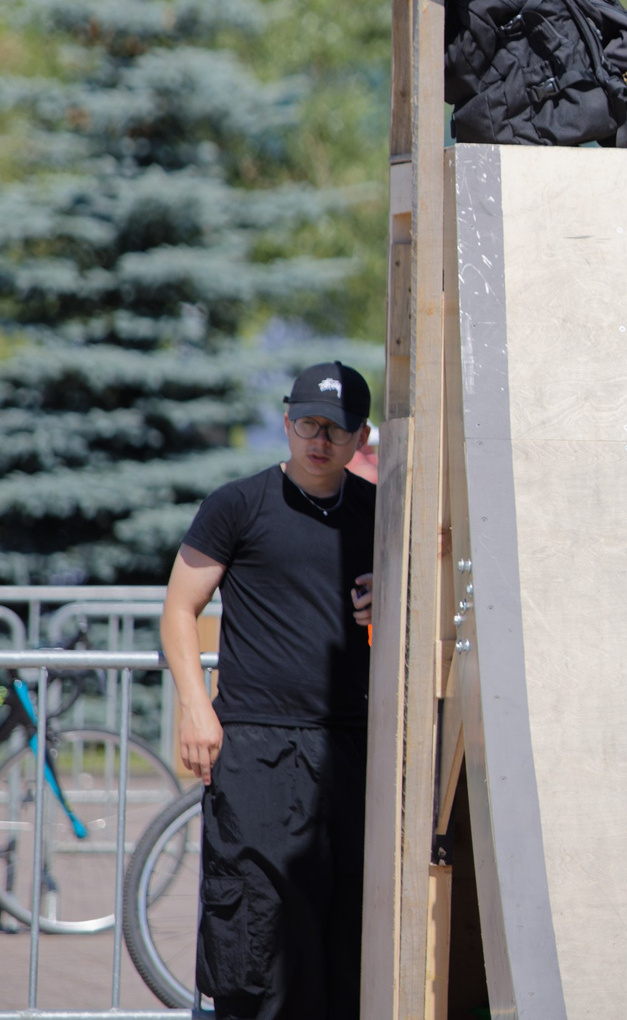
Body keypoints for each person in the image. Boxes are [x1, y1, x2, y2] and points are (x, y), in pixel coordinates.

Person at [159, 363, 378, 1020]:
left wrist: (392, 600)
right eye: (309, 422)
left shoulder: (384, 515)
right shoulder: (238, 503)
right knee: (259, 925)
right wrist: (196, 705)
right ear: (287, 420)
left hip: (352, 745)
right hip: (254, 744)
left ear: (360, 436)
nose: (320, 438)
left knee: (346, 928)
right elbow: (178, 607)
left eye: (337, 428)